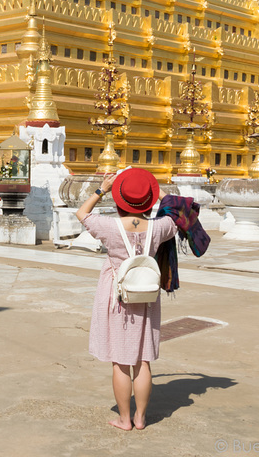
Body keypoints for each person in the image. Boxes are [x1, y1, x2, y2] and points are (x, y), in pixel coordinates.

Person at [76, 167, 177, 431]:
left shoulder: (108, 226)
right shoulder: (160, 227)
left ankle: (124, 419)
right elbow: (176, 212)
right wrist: (155, 192)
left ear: (120, 198)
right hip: (146, 294)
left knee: (121, 361)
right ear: (148, 200)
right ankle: (141, 418)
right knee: (142, 359)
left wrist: (103, 189)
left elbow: (82, 214)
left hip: (116, 294)